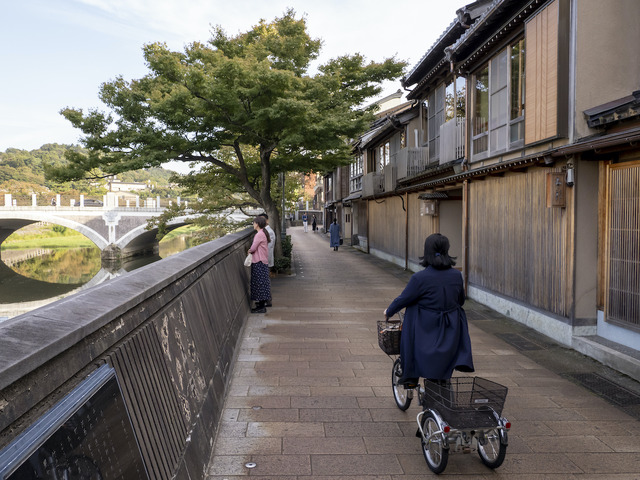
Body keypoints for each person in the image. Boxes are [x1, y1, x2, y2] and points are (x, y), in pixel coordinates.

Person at [384, 233, 474, 385]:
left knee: (412, 307)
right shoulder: (456, 276)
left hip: (425, 334)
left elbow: (403, 299)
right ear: (447, 251)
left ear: (426, 252)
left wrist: (389, 311)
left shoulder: (420, 278)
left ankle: (411, 377)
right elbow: (460, 301)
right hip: (451, 333)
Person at [248, 216, 272, 313]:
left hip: (259, 261)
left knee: (259, 283)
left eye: (254, 223)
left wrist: (249, 250)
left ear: (257, 224)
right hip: (262, 261)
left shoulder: (259, 235)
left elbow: (253, 248)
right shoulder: (263, 233)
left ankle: (261, 307)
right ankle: (262, 304)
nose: (253, 224)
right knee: (262, 283)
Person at [259, 213, 275, 306]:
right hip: (265, 259)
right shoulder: (265, 231)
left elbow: (269, 247)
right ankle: (266, 299)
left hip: (265, 260)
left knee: (265, 280)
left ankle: (268, 300)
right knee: (265, 280)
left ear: (267, 221)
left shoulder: (269, 232)